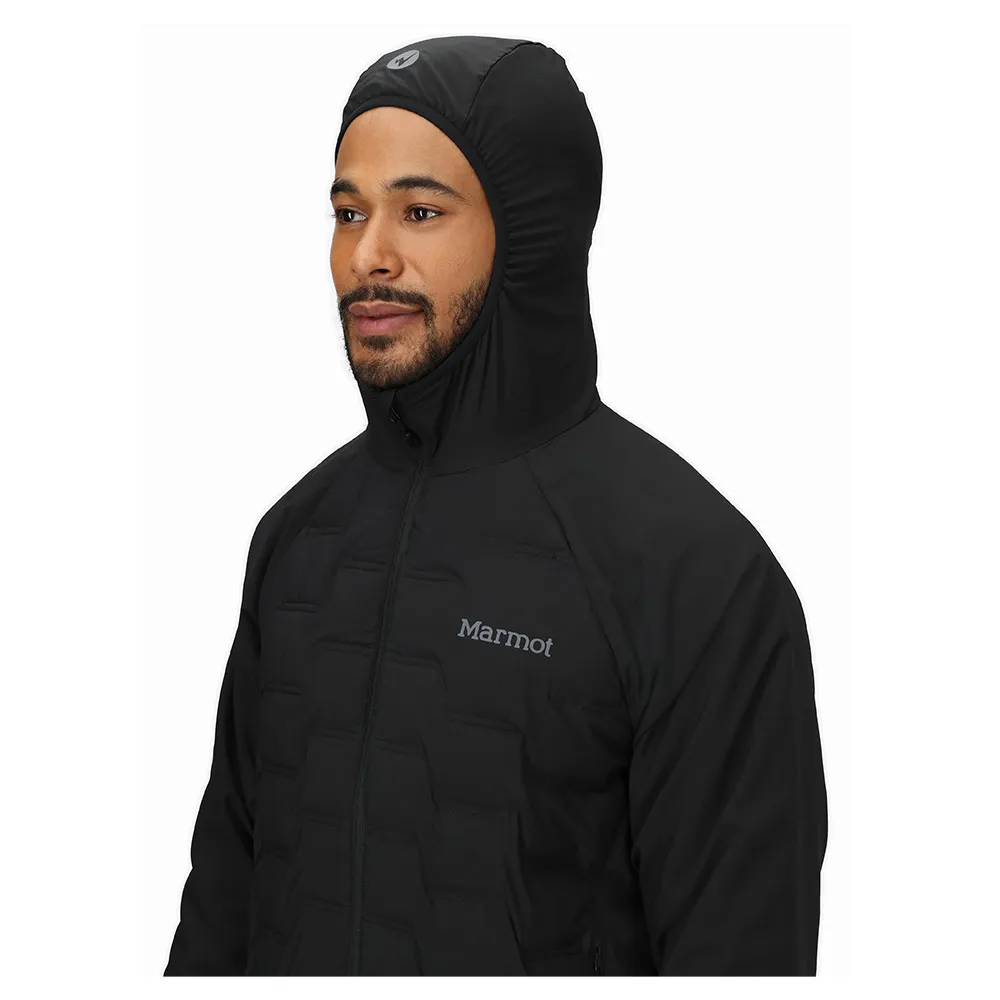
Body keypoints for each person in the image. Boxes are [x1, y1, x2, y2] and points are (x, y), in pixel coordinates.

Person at [164, 34, 828, 977]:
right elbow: (218, 917)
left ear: (529, 233)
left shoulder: (696, 575)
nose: (367, 257)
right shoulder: (298, 539)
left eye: (420, 211)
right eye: (348, 213)